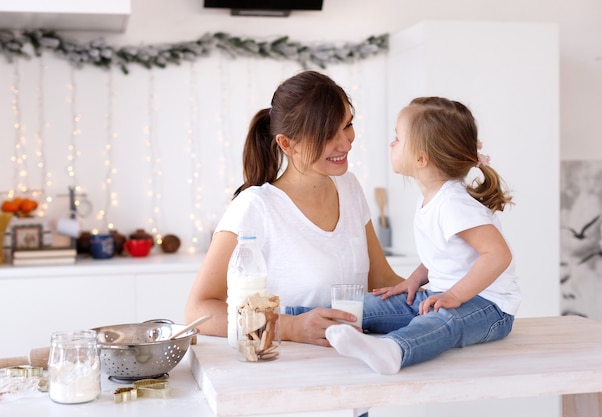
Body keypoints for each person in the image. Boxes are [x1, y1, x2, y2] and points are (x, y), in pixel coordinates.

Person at [184, 70, 405, 346]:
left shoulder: (349, 188)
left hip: (352, 362)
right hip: (285, 369)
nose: (346, 141)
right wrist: (290, 328)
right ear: (287, 144)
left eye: (347, 124)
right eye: (327, 134)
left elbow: (381, 280)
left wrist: (444, 292)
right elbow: (198, 309)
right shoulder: (255, 207)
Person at [326, 96, 522, 374]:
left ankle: (394, 350)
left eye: (397, 138)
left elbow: (498, 255)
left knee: (442, 322)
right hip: (442, 295)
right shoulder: (433, 199)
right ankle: (294, 318)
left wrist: (455, 295)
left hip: (490, 307)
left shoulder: (454, 203)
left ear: (421, 157)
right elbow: (442, 254)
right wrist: (413, 281)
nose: (392, 144)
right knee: (365, 307)